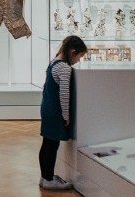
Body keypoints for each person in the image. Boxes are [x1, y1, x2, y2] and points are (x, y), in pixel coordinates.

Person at [38, 35, 88, 191]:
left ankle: (45, 175)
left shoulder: (54, 62)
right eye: (80, 56)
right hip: (55, 112)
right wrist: (66, 116)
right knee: (52, 145)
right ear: (73, 52)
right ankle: (48, 179)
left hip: (47, 108)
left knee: (46, 143)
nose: (79, 60)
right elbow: (64, 95)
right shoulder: (65, 68)